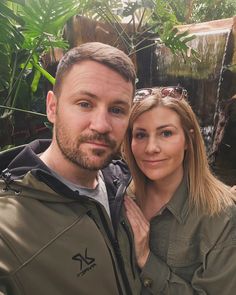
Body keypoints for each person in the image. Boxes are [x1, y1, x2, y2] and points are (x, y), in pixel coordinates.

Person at [0, 42, 141, 295]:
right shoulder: (8, 229)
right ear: (52, 107)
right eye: (85, 103)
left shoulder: (124, 182)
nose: (101, 125)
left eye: (117, 110)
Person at [122, 87, 236, 294]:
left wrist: (146, 259)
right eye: (140, 135)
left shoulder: (220, 216)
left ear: (188, 139)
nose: (151, 148)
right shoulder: (119, 196)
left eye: (166, 133)